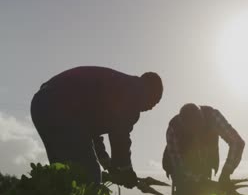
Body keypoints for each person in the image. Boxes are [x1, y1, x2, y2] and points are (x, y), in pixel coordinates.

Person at [31, 66, 163, 188]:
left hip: (42, 103)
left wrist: (109, 165)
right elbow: (120, 134)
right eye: (155, 101)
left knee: (63, 172)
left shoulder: (119, 86)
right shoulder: (135, 91)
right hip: (61, 105)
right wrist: (125, 170)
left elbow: (90, 131)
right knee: (89, 176)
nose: (152, 107)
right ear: (149, 90)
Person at [162, 103, 245, 195]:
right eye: (192, 130)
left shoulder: (213, 117)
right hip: (182, 168)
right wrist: (201, 182)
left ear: (202, 119)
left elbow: (237, 142)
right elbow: (180, 167)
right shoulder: (173, 130)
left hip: (205, 163)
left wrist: (226, 173)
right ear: (184, 126)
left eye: (199, 127)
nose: (196, 133)